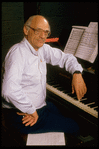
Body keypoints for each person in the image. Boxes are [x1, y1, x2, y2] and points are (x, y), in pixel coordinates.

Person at [2, 15, 87, 146]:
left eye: (46, 32)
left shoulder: (41, 49)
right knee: (74, 126)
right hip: (21, 115)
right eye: (38, 30)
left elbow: (66, 58)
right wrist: (31, 110)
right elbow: (8, 90)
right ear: (26, 30)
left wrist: (77, 73)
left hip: (38, 106)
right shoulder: (18, 53)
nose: (43, 36)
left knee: (64, 114)